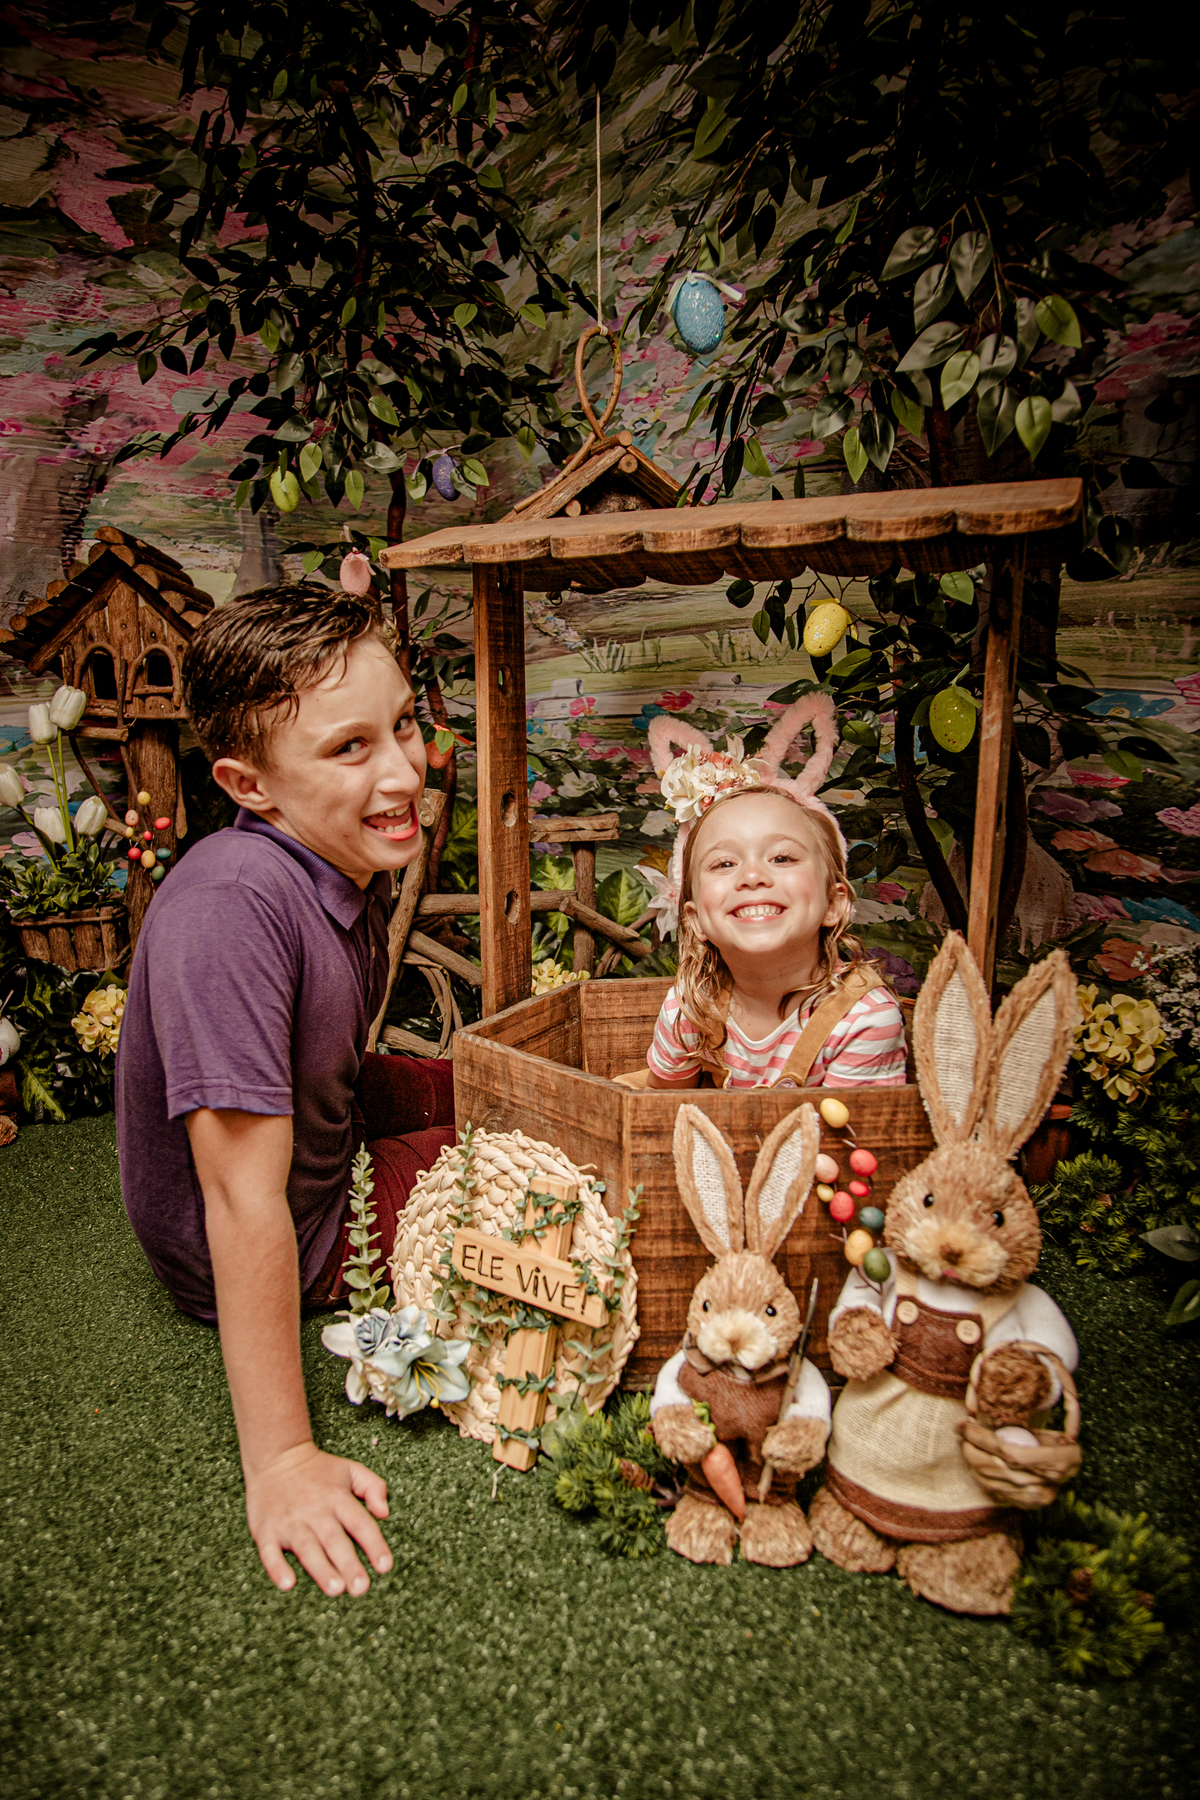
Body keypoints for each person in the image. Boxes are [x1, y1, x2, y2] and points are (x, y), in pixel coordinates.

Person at [116, 584, 456, 1599]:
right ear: (248, 783)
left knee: (499, 1085)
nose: (401, 769)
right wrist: (280, 1462)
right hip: (293, 1226)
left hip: (325, 1126)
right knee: (530, 1157)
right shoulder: (229, 904)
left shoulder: (341, 854)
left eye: (401, 725)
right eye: (350, 749)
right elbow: (239, 1196)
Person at [636, 696, 906, 1091]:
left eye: (781, 857)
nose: (752, 875)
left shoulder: (863, 1018)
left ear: (833, 903)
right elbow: (659, 1116)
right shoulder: (689, 1006)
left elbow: (849, 1149)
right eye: (725, 864)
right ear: (695, 921)